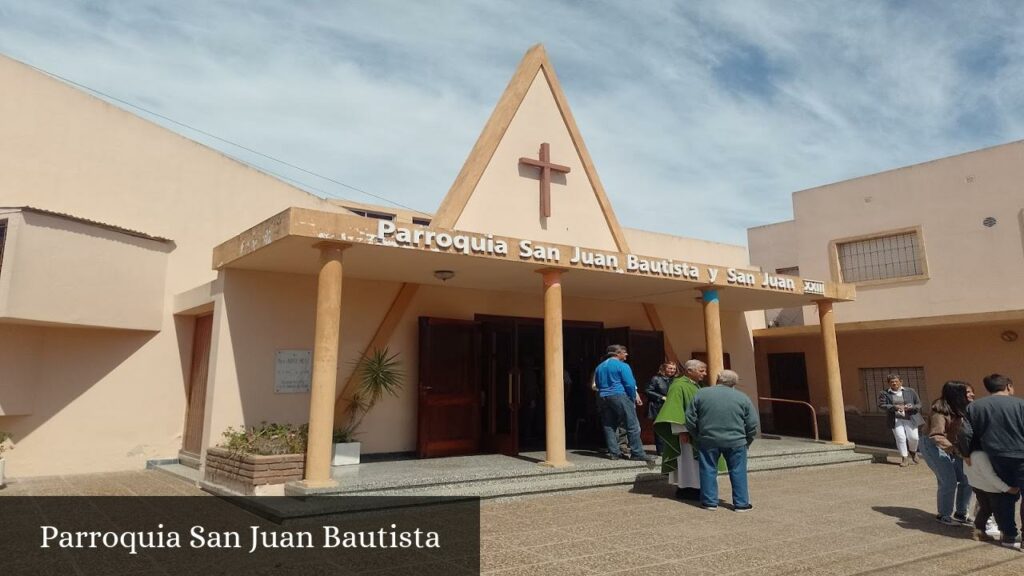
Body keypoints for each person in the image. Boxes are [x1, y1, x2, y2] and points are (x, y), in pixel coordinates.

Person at [962, 374, 1024, 550]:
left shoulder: (974, 407)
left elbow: (965, 433)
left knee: (1003, 495)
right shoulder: (1020, 404)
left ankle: (1009, 535)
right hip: (1021, 455)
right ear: (1008, 386)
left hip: (995, 456)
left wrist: (966, 453)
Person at [684, 370, 759, 512]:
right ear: (735, 383)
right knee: (738, 471)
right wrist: (747, 440)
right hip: (736, 441)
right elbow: (752, 423)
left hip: (708, 439)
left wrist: (697, 435)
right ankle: (741, 503)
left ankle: (709, 502)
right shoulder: (742, 397)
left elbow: (689, 418)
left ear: (718, 379)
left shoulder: (701, 393)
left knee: (708, 470)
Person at [918, 380, 975, 527]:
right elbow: (936, 435)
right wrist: (954, 450)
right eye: (967, 392)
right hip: (933, 445)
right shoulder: (940, 410)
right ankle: (944, 514)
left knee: (967, 479)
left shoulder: (966, 408)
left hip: (954, 446)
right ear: (957, 394)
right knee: (948, 480)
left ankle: (961, 513)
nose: (972, 394)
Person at [654, 359, 706, 500]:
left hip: (696, 431)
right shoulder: (679, 386)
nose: (705, 374)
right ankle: (687, 488)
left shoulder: (695, 385)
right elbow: (675, 410)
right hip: (685, 433)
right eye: (701, 371)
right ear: (689, 371)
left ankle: (697, 486)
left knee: (694, 462)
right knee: (687, 461)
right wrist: (681, 430)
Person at [594, 344, 652, 462]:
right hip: (619, 395)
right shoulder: (622, 366)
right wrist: (632, 397)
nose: (626, 354)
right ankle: (637, 452)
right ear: (617, 353)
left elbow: (598, 384)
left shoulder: (599, 367)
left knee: (609, 425)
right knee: (633, 425)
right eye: (624, 352)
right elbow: (629, 383)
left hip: (603, 396)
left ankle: (614, 453)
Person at [963, 445, 1020, 542]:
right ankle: (1007, 535)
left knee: (986, 508)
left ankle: (978, 530)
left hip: (976, 484)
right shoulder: (983, 455)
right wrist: (1007, 489)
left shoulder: (967, 452)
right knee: (999, 511)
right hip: (990, 488)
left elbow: (966, 471)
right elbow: (991, 476)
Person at [877, 374, 925, 467]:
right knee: (900, 437)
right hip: (895, 419)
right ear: (888, 383)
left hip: (910, 417)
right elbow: (882, 405)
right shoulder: (884, 393)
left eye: (896, 381)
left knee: (914, 438)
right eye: (892, 382)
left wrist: (911, 407)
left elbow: (918, 404)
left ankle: (913, 451)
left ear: (901, 382)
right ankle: (904, 457)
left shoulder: (910, 391)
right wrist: (894, 407)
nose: (894, 383)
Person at [646, 361, 678, 456]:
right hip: (658, 406)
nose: (672, 370)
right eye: (669, 368)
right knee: (660, 428)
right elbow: (648, 390)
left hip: (672, 407)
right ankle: (661, 450)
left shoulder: (676, 380)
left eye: (674, 369)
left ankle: (672, 449)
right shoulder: (656, 379)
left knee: (672, 428)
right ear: (664, 369)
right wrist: (661, 397)